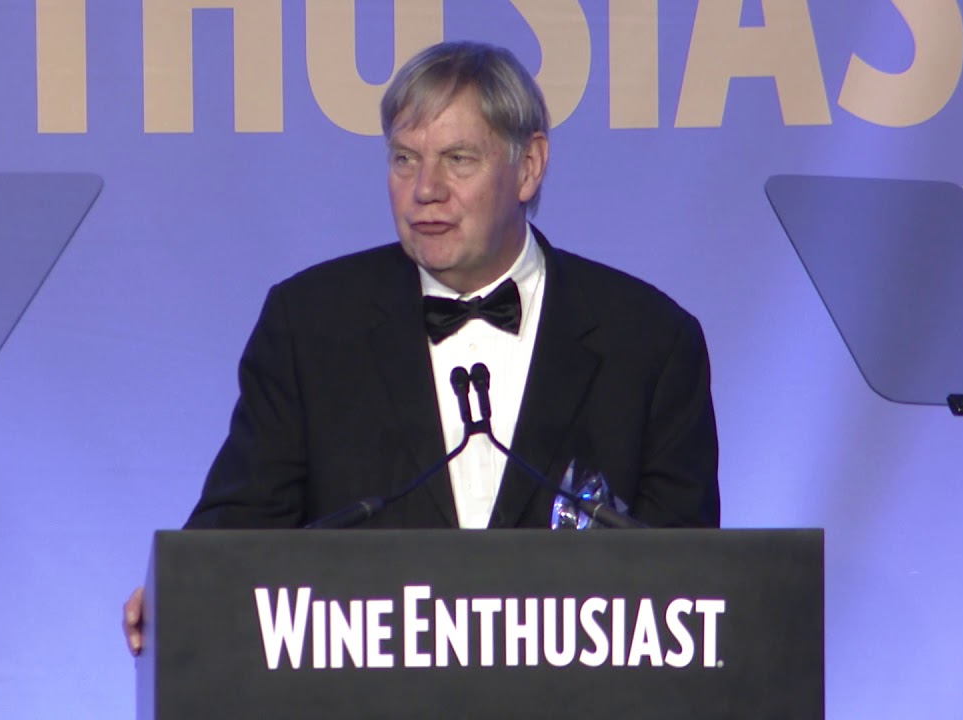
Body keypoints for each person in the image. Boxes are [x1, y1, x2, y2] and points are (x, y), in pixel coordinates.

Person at [123, 40, 718, 654]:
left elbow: (691, 587)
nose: (425, 189)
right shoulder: (310, 325)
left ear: (529, 166)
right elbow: (242, 522)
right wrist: (182, 591)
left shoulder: (648, 341)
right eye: (405, 159)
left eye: (458, 160)